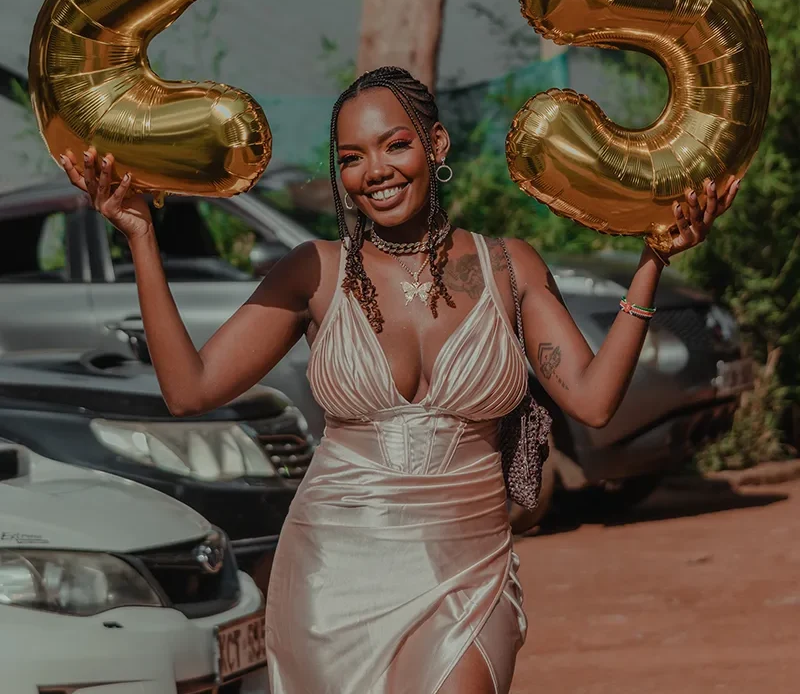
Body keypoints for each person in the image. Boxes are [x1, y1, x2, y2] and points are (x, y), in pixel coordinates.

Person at [61, 66, 739, 694]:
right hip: (334, 573)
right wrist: (141, 239)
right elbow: (191, 389)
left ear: (435, 144)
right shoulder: (315, 273)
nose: (374, 172)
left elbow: (591, 401)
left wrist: (651, 260)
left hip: (468, 573)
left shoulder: (508, 268)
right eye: (352, 158)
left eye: (394, 146)